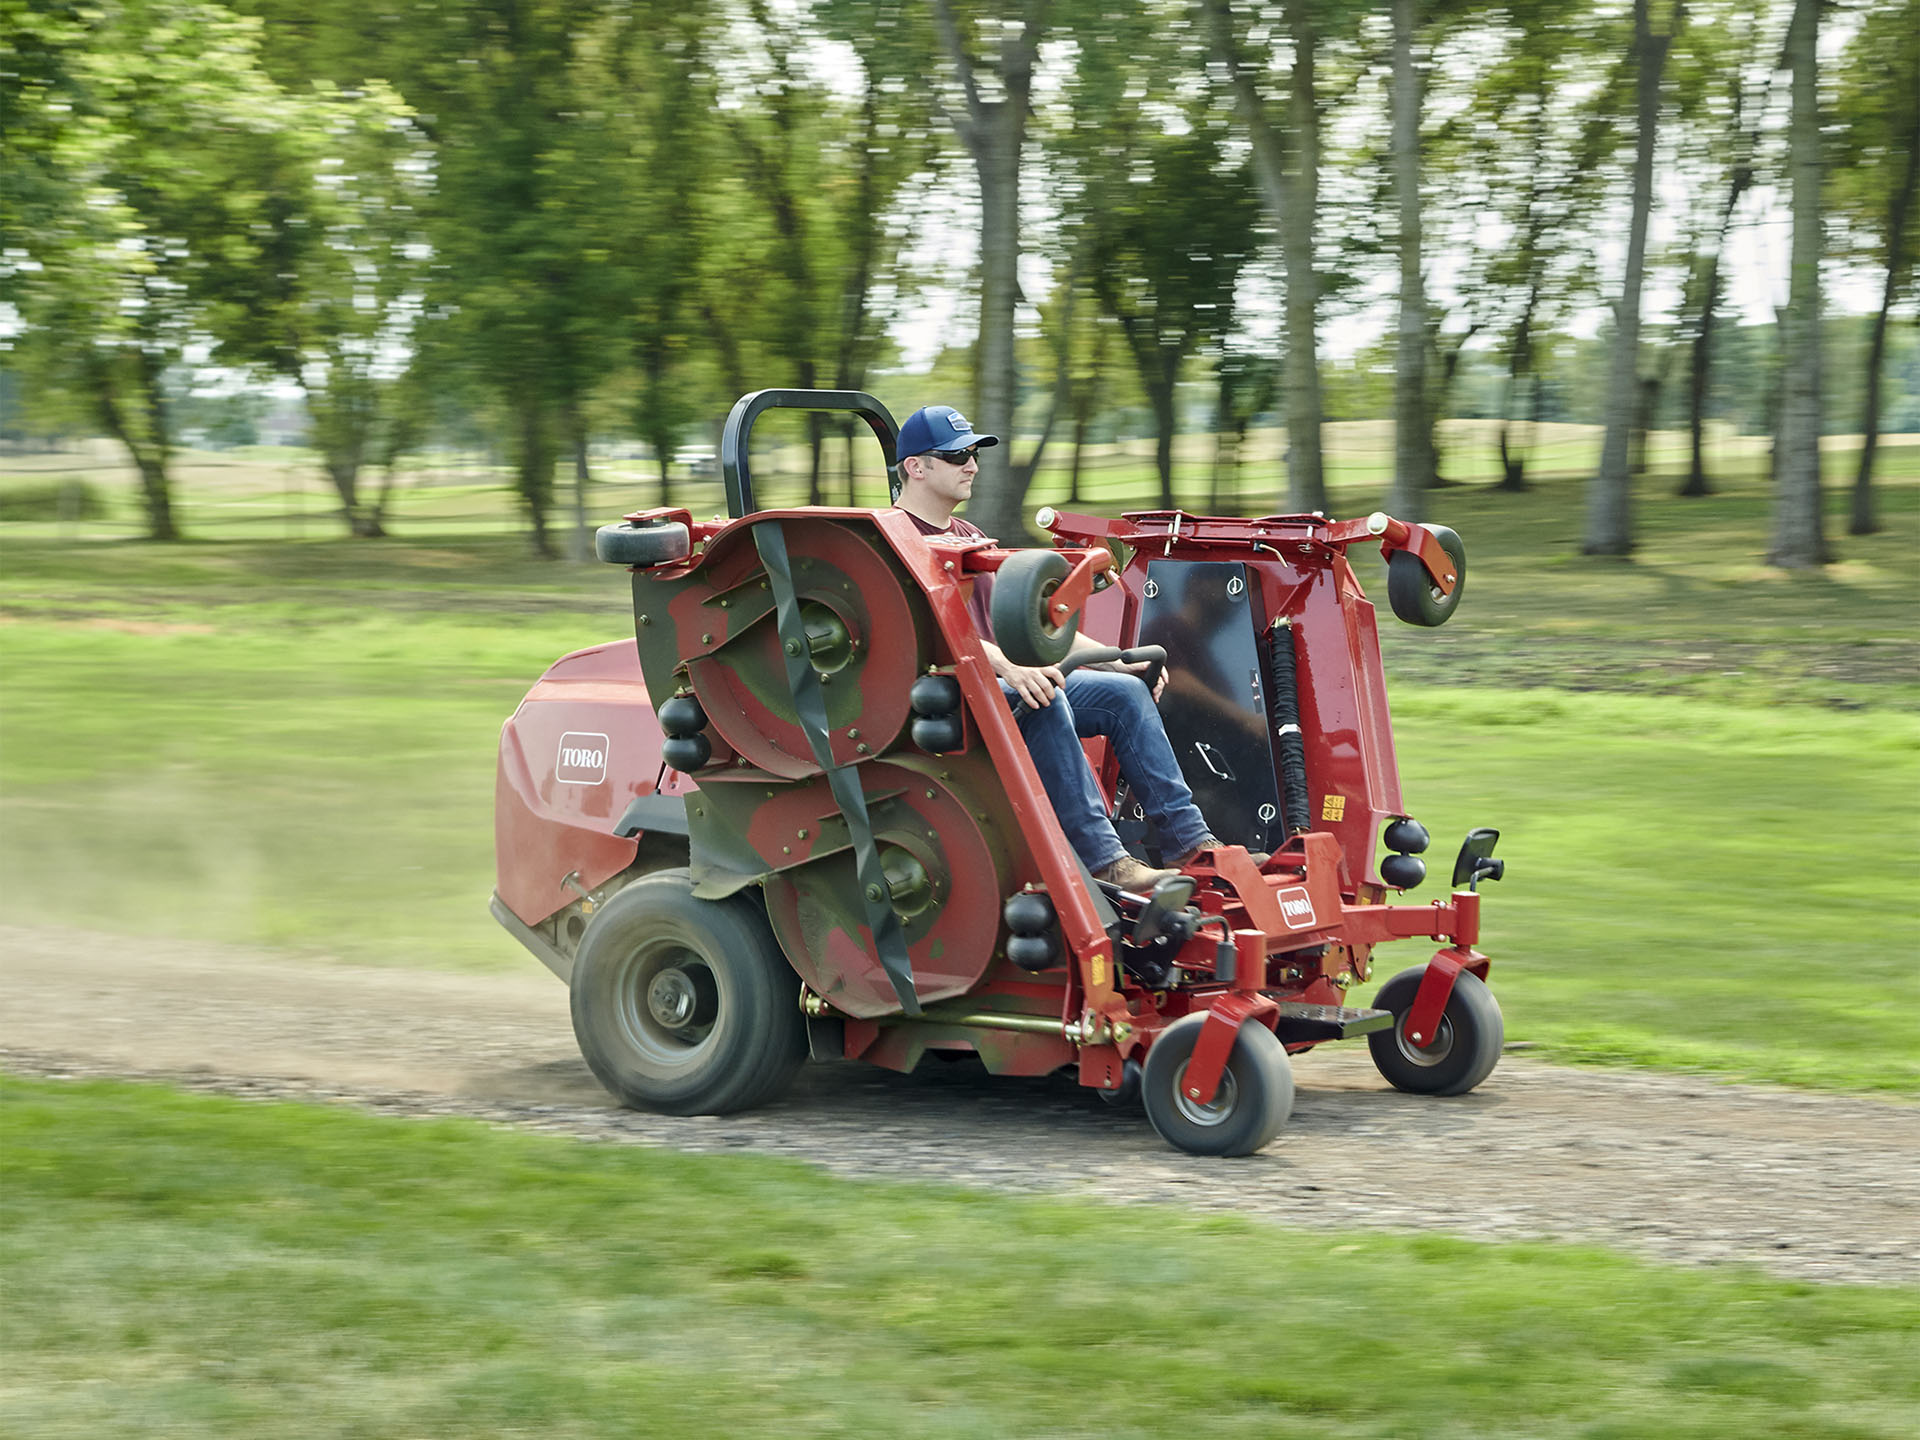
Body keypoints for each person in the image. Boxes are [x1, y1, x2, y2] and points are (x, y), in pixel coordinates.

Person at [892, 403, 1230, 893]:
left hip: (1003, 682)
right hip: (946, 698)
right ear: (916, 467)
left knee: (1125, 694)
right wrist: (1008, 667)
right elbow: (923, 631)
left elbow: (1035, 627)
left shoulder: (970, 537)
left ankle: (1190, 844)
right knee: (1043, 696)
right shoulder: (896, 542)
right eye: (957, 455)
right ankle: (1107, 861)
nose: (973, 466)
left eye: (974, 454)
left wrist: (1118, 660)